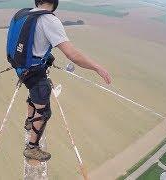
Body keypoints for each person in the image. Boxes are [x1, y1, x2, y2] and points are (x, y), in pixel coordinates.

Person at [6, 0, 112, 162]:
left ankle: (29, 122)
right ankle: (32, 148)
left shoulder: (25, 14)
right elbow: (72, 55)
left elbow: (30, 42)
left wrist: (44, 57)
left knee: (34, 92)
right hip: (33, 72)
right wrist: (97, 67)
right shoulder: (49, 20)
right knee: (44, 111)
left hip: (20, 67)